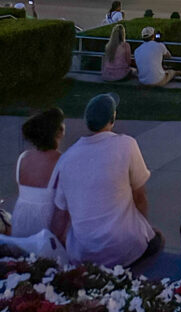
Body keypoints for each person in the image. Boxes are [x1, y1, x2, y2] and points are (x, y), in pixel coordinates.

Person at [51, 93, 163, 267]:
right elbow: (140, 197)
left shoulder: (66, 159)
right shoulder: (127, 145)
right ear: (113, 119)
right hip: (124, 248)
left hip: (84, 253)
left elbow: (60, 215)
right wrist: (145, 230)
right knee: (157, 240)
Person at [12, 108, 65, 236]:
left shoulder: (23, 157)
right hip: (44, 231)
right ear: (59, 131)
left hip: (19, 224)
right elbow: (62, 211)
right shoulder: (62, 160)